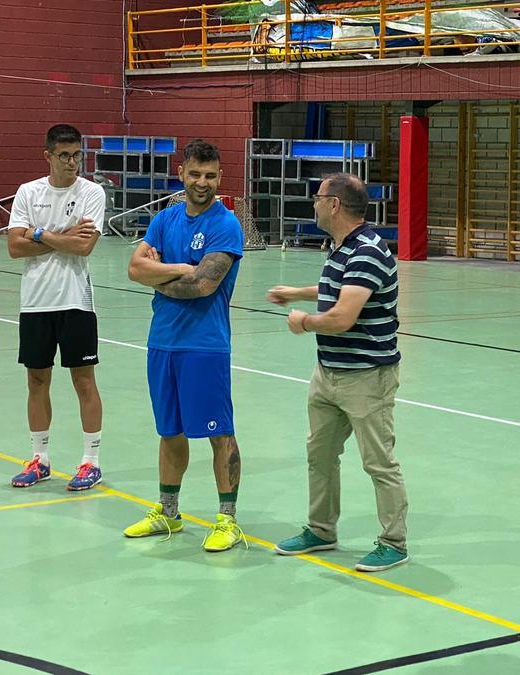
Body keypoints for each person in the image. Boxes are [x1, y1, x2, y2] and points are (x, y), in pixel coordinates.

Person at [265, 173, 409, 573]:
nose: (313, 204)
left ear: (334, 205)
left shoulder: (367, 251)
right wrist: (297, 292)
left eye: (317, 198)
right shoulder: (342, 248)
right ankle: (321, 530)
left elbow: (344, 316)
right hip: (329, 373)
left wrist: (304, 321)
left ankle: (393, 542)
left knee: (379, 462)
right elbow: (339, 288)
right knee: (320, 454)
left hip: (366, 376)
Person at [122, 139, 246, 553]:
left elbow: (203, 285)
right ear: (182, 173)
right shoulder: (164, 220)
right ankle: (169, 512)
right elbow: (133, 268)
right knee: (169, 431)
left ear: (220, 177)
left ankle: (227, 520)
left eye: (210, 176)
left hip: (205, 346)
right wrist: (177, 268)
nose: (202, 182)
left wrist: (158, 275)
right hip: (162, 342)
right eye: (195, 174)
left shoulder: (225, 224)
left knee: (219, 434)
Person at [7, 123, 107, 492]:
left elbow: (84, 247)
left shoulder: (92, 193)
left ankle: (90, 462)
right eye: (64, 155)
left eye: (77, 154)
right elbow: (14, 248)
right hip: (35, 302)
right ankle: (40, 459)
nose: (72, 162)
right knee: (37, 380)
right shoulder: (28, 192)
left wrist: (39, 233)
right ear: (48, 155)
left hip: (75, 302)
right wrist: (63, 237)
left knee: (84, 381)